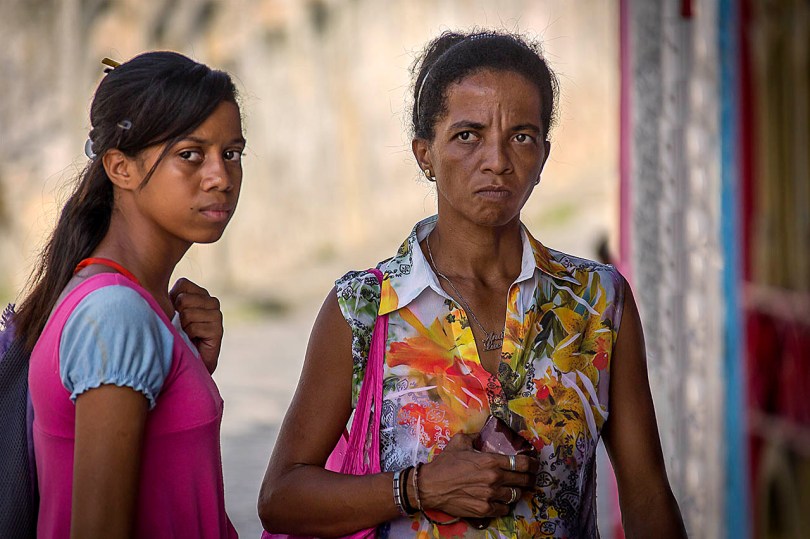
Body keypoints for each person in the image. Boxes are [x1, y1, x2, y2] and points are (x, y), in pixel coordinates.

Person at [259, 30, 686, 538]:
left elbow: (646, 492)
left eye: (521, 136)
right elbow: (280, 497)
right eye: (468, 135)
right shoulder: (365, 308)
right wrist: (415, 488)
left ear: (544, 156)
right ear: (425, 154)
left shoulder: (598, 303)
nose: (497, 161)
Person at [15, 51, 245, 538]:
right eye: (190, 155)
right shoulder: (116, 314)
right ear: (120, 168)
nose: (220, 177)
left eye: (231, 153)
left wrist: (185, 366)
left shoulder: (130, 306)